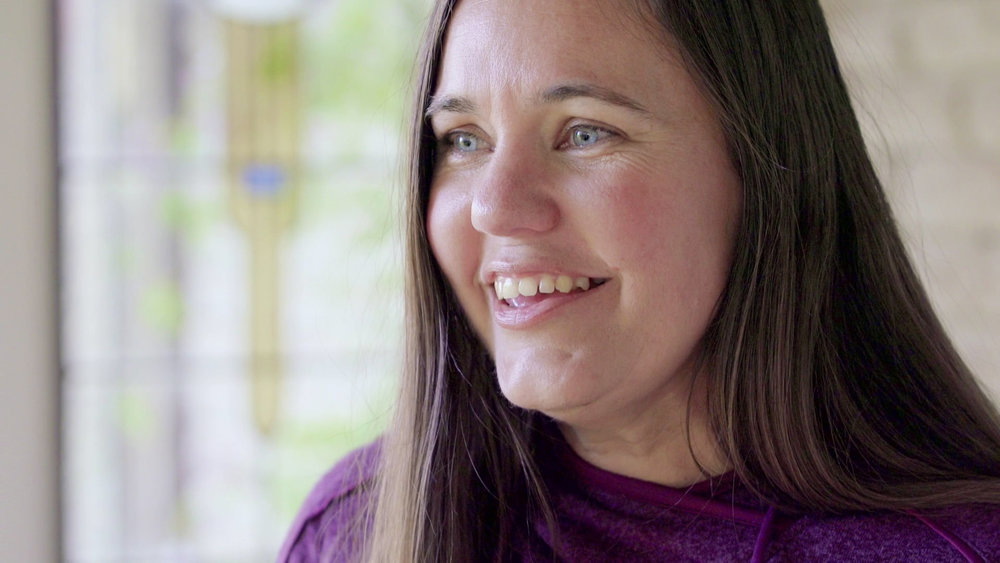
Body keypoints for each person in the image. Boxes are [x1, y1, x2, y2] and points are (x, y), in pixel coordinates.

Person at [280, 0, 1000, 561]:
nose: (493, 207)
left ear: (763, 174)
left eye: (585, 132)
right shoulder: (353, 529)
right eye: (464, 140)